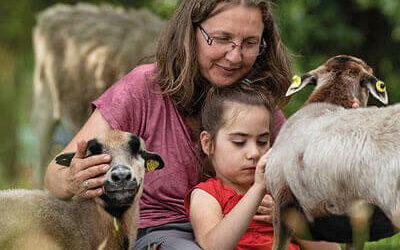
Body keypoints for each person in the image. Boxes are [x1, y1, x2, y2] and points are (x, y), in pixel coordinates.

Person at [44, 0, 337, 249]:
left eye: (249, 43)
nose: (235, 56)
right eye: (221, 39)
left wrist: (287, 212)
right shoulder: (143, 88)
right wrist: (72, 177)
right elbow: (55, 175)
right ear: (191, 33)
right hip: (165, 234)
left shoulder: (255, 103)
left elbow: (303, 190)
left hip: (245, 233)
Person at [185, 82, 339, 250]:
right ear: (208, 144)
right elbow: (214, 247)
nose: (254, 153)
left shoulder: (281, 194)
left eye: (262, 141)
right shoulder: (207, 195)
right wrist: (257, 189)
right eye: (239, 142)